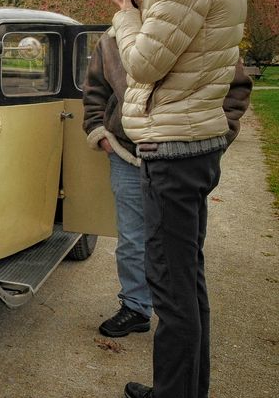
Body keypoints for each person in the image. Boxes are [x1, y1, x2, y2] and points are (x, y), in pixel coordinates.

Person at [87, 0, 247, 398]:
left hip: (174, 150)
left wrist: (123, 11)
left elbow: (144, 64)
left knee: (171, 287)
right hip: (187, 146)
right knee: (187, 281)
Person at [82, 34, 252, 339]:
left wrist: (215, 140)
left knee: (178, 244)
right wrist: (101, 133)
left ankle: (180, 321)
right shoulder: (112, 39)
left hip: (181, 158)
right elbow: (95, 90)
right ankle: (135, 307)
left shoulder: (199, 30)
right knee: (132, 238)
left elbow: (236, 90)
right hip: (126, 153)